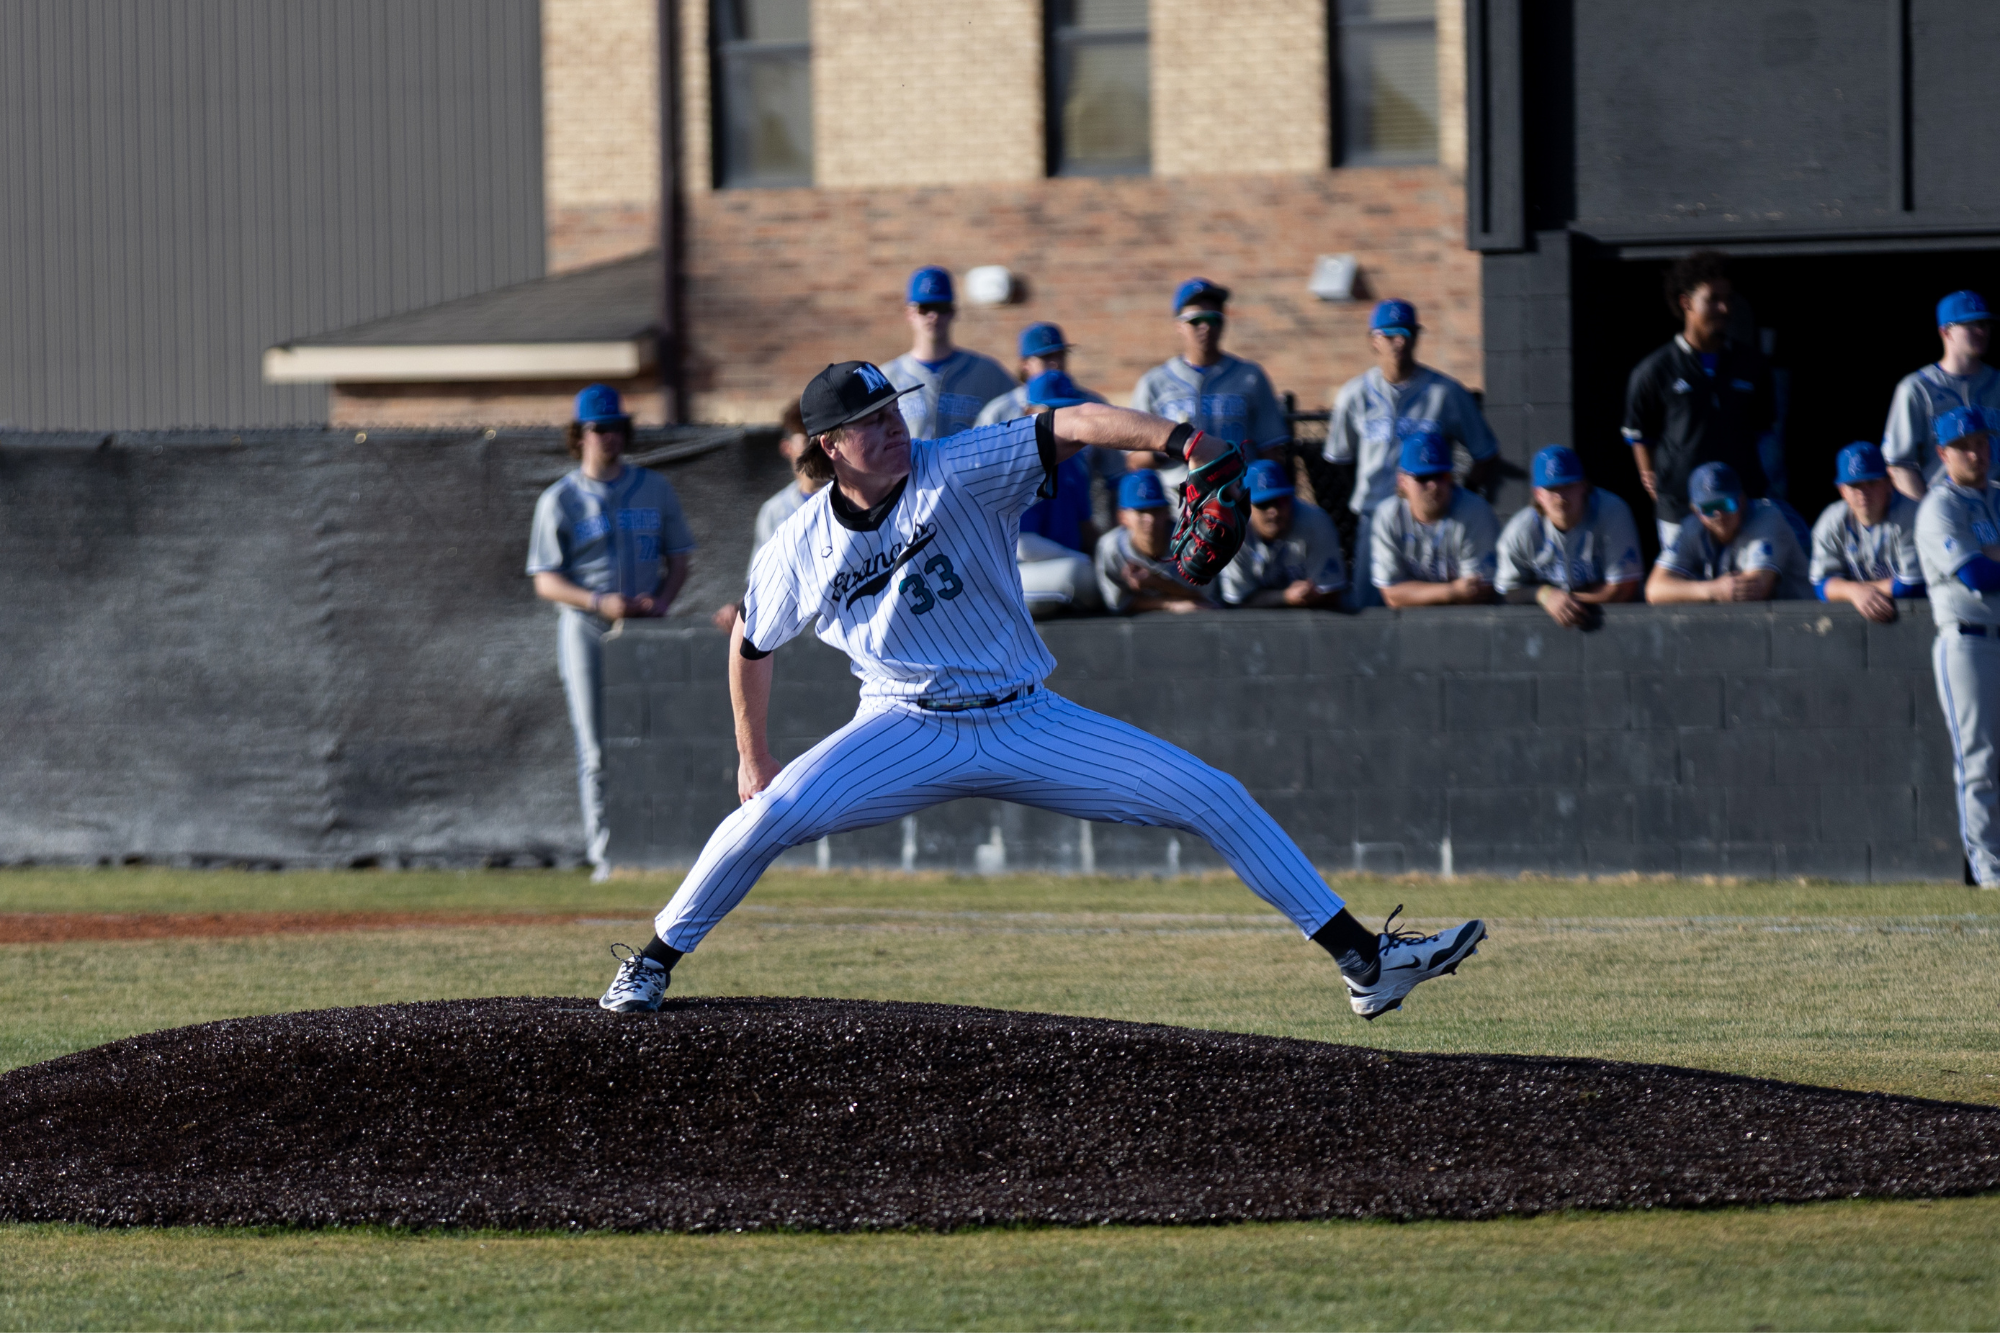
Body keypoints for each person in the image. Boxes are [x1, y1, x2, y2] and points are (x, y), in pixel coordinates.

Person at [595, 359, 1486, 1017]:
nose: (892, 425)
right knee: (766, 816)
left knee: (1214, 795)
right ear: (830, 447)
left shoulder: (957, 465)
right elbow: (750, 644)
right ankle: (652, 961)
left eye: (894, 408)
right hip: (903, 724)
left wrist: (1188, 444)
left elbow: (1070, 423)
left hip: (1026, 718)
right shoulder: (796, 544)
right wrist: (753, 754)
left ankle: (1366, 964)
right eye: (869, 420)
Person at [526, 384, 696, 882]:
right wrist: (600, 602)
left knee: (656, 739)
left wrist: (664, 600)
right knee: (597, 746)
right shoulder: (559, 499)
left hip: (645, 629)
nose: (609, 437)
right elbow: (545, 580)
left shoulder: (654, 488)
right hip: (586, 628)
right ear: (579, 436)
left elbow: (680, 556)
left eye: (617, 427)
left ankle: (658, 848)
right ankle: (607, 855)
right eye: (598, 429)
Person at [1326, 298, 1499, 607]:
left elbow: (1484, 453)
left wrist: (1458, 492)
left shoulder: (1445, 392)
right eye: (1390, 334)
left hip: (1439, 517)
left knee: (1447, 602)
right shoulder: (1354, 394)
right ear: (1373, 340)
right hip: (1375, 513)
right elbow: (1340, 461)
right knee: (1371, 604)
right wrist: (1363, 493)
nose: (1400, 342)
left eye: (1408, 333)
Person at [1622, 250, 1775, 547]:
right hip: (1681, 509)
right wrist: (1654, 480)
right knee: (1686, 589)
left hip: (1744, 506)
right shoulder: (1655, 369)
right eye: (1713, 299)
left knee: (1747, 589)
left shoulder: (1752, 364)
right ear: (1686, 302)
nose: (1723, 308)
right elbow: (1638, 433)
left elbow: (1764, 431)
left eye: (1728, 299)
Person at [1915, 406, 2000, 886]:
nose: (1977, 452)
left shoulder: (1997, 496)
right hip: (1968, 641)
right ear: (1944, 453)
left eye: (1982, 442)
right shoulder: (1939, 507)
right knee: (1980, 761)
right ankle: (1989, 871)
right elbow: (1977, 573)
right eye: (1966, 445)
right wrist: (1991, 556)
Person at [1128, 278, 1290, 490]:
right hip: (1175, 503)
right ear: (1179, 325)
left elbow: (1271, 449)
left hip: (1236, 497)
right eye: (1196, 320)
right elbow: (1133, 460)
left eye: (1214, 319)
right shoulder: (1154, 382)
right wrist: (1169, 447)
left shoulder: (1250, 376)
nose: (1205, 327)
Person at [1495, 445, 1644, 627]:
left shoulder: (1611, 513)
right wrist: (1544, 595)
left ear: (1584, 485)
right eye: (1551, 488)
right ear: (1538, 494)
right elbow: (1506, 591)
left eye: (1568, 485)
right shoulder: (1520, 531)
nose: (1560, 496)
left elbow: (1624, 590)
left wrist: (1563, 601)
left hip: (1619, 627)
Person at [712, 400, 824, 632]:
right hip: (797, 632)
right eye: (805, 441)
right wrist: (740, 609)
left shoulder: (850, 499)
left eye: (818, 440)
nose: (813, 449)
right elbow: (763, 581)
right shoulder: (774, 511)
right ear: (787, 448)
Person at [1882, 291, 2000, 501]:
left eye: (1984, 324)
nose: (1981, 331)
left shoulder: (1997, 383)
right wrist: (1930, 512)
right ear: (1946, 332)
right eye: (1971, 325)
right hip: (1946, 505)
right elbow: (1899, 465)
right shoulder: (1916, 389)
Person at [1645, 461, 1811, 604]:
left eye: (1727, 504)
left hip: (1801, 624)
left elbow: (1755, 591)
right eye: (1708, 508)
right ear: (1695, 511)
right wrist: (1713, 590)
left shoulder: (1767, 516)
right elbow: (1655, 590)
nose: (1719, 514)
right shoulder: (1691, 527)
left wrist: (1689, 591)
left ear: (1742, 500)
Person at [1370, 428, 1500, 608]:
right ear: (1402, 481)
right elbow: (1392, 595)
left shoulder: (1475, 512)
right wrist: (1452, 591)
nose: (1433, 486)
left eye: (1441, 475)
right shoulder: (1388, 516)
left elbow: (1478, 593)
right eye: (1423, 477)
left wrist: (1414, 594)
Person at [883, 266, 1014, 441]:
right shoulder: (886, 378)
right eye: (925, 308)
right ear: (910, 313)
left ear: (953, 311)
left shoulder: (988, 374)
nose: (933, 316)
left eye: (941, 308)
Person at [1016, 371, 1102, 618]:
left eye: (1066, 411)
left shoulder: (1072, 462)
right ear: (1027, 412)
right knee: (1079, 573)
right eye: (1050, 412)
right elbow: (1023, 547)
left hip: (1058, 568)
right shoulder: (1019, 464)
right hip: (1013, 574)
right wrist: (1083, 560)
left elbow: (1086, 529)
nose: (1059, 421)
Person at [1809, 442, 1924, 624]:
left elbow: (1913, 585)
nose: (1864, 492)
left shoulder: (1912, 516)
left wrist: (1856, 590)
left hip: (1920, 620)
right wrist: (1854, 592)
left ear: (1888, 483)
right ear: (1842, 491)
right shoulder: (1831, 521)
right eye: (1855, 485)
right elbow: (1820, 585)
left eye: (1872, 482)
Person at [1218, 459, 1347, 609]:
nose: (1274, 511)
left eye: (1280, 501)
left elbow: (1332, 593)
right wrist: (1284, 597)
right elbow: (1237, 602)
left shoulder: (1316, 523)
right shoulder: (1233, 532)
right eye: (1263, 503)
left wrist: (1313, 595)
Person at [1094, 470, 1216, 614]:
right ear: (1123, 517)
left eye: (1156, 510)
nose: (1150, 519)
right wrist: (1170, 604)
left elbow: (1211, 600)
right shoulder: (1111, 547)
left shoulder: (1192, 541)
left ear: (1167, 512)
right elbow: (1117, 605)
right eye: (1141, 512)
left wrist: (1157, 583)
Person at [974, 321, 1105, 427]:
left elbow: (1112, 459)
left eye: (1060, 355)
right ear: (1025, 364)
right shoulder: (1001, 411)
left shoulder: (1092, 404)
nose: (1056, 363)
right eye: (1046, 357)